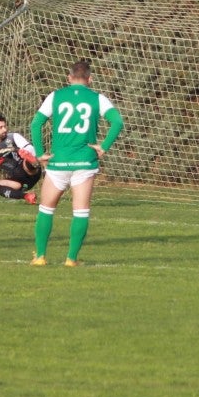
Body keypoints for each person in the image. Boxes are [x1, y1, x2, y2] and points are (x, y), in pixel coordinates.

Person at [28, 59, 124, 267]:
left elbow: (36, 123)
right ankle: (71, 259)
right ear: (89, 79)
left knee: (46, 209)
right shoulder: (98, 98)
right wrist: (104, 146)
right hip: (84, 163)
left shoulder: (56, 96)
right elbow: (117, 122)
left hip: (58, 163)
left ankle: (40, 257)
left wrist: (40, 153)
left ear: (69, 78)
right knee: (80, 211)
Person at [0, 113, 42, 204]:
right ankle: (27, 196)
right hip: (18, 182)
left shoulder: (14, 137)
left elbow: (30, 149)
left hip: (30, 171)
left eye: (5, 126)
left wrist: (20, 151)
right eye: (0, 127)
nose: (4, 129)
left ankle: (33, 163)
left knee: (27, 157)